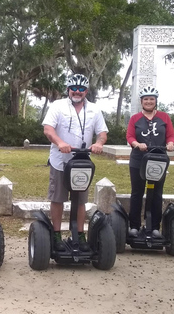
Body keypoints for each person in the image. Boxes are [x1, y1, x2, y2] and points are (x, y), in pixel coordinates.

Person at [42, 74, 108, 252]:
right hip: (60, 161)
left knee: (80, 200)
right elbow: (48, 129)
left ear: (86, 91)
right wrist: (60, 142)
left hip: (82, 162)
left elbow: (102, 132)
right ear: (68, 89)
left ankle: (79, 234)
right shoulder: (57, 106)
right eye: (74, 88)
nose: (77, 92)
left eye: (81, 89)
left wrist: (99, 143)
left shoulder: (94, 110)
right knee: (58, 199)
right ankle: (56, 235)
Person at [126, 86, 174, 238]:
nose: (148, 101)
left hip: (158, 160)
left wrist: (171, 144)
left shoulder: (164, 117)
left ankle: (154, 227)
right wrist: (136, 144)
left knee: (156, 193)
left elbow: (170, 135)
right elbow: (129, 136)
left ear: (155, 101)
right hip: (138, 160)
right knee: (137, 192)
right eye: (146, 99)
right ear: (141, 101)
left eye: (151, 99)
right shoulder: (135, 118)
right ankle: (134, 226)